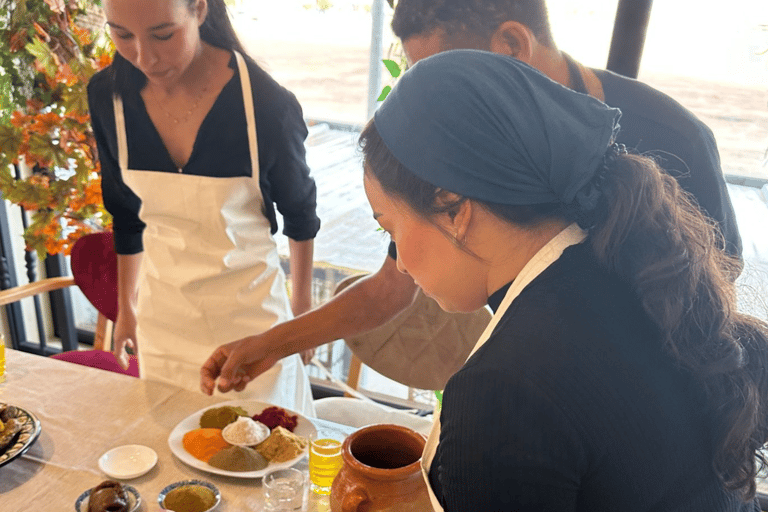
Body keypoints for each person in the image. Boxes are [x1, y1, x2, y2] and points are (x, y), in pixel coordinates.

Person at [200, 0, 743, 396]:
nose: (424, 102)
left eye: (438, 75)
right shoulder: (452, 158)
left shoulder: (676, 140)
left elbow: (714, 292)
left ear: (511, 45)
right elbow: (393, 287)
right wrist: (272, 344)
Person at [371, 50, 763, 510]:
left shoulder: (503, 391)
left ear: (455, 208)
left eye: (389, 228)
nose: (397, 263)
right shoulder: (626, 270)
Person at [89, 0, 319, 414]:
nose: (145, 57)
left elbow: (300, 216)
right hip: (165, 320)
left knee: (264, 451)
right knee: (174, 457)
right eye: (122, 34)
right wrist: (128, 309)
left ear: (199, 9)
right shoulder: (107, 97)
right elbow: (125, 216)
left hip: (252, 322)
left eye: (163, 34)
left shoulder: (266, 103)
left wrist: (300, 318)